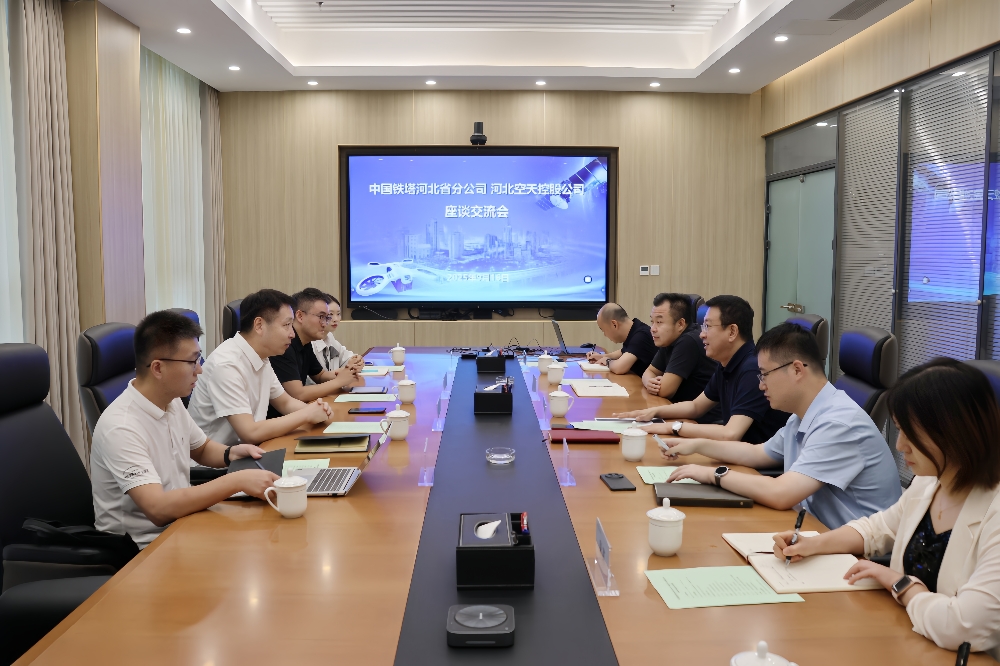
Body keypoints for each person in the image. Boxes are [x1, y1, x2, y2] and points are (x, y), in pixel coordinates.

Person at [774, 359, 1000, 659]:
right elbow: (877, 528)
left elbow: (961, 627)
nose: (901, 445)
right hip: (906, 640)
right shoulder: (929, 483)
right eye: (899, 430)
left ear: (955, 432)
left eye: (911, 433)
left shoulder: (994, 511)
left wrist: (901, 584)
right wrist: (813, 544)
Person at [661, 322, 901, 528]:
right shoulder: (804, 414)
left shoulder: (838, 424)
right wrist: (697, 445)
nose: (761, 385)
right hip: (810, 528)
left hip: (850, 553)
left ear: (796, 370)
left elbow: (781, 493)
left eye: (764, 374)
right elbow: (757, 453)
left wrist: (712, 474)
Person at [91, 311, 280, 549]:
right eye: (192, 362)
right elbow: (158, 509)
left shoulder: (171, 400)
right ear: (158, 368)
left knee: (266, 537)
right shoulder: (121, 427)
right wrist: (236, 481)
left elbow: (201, 448)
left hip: (183, 524)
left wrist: (230, 453)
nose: (199, 370)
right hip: (143, 549)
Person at [615, 295, 789, 443]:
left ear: (732, 332)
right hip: (736, 453)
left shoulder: (752, 369)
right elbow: (696, 406)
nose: (702, 334)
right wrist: (654, 412)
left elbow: (730, 434)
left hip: (757, 466)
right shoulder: (727, 363)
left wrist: (673, 427)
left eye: (707, 326)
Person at [188, 288, 333, 445]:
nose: (292, 334)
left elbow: (285, 403)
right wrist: (306, 414)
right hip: (222, 458)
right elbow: (250, 433)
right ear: (259, 325)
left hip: (252, 449)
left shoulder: (262, 356)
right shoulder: (226, 365)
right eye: (286, 325)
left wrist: (318, 411)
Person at [266, 288, 360, 418]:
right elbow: (298, 394)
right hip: (279, 419)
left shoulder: (305, 342)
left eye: (327, 318)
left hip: (295, 415)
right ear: (300, 316)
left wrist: (346, 372)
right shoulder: (284, 345)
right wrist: (339, 381)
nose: (325, 323)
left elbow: (320, 375)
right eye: (321, 317)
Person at [641, 292, 720, 423]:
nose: (653, 329)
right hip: (681, 413)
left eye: (659, 322)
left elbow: (665, 391)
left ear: (680, 324)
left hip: (702, 420)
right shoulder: (669, 339)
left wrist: (653, 383)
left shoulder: (689, 341)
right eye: (652, 322)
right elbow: (649, 371)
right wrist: (650, 382)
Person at [586, 302, 657, 376]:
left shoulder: (641, 335)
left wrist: (607, 361)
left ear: (614, 324)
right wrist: (602, 357)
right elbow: (624, 351)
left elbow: (619, 368)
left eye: (603, 330)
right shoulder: (635, 330)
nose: (605, 335)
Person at [313, 293, 365, 373]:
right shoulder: (310, 342)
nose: (336, 319)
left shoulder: (329, 336)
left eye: (338, 314)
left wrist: (357, 361)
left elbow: (345, 357)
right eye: (330, 314)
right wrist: (346, 369)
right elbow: (317, 377)